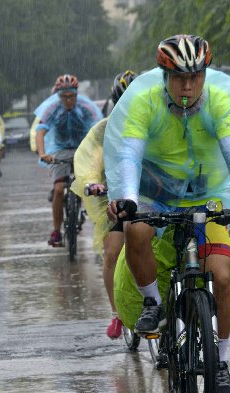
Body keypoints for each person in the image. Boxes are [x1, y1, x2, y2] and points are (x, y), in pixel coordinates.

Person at [103, 35, 230, 393]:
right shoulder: (144, 101)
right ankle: (153, 304)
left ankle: (223, 364)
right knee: (135, 231)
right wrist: (129, 199)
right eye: (178, 76)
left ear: (205, 74)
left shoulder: (220, 99)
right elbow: (129, 156)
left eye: (195, 76)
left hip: (206, 192)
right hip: (153, 189)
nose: (187, 85)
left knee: (222, 274)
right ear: (164, 75)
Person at [70, 70, 137, 339]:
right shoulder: (104, 130)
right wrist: (92, 182)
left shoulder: (159, 123)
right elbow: (89, 160)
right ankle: (117, 313)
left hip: (154, 197)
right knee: (112, 252)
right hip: (117, 198)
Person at [33, 74, 103, 247]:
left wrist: (100, 152)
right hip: (60, 149)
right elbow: (40, 130)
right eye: (64, 97)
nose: (68, 100)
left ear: (77, 94)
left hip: (84, 147)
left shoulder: (87, 107)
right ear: (58, 96)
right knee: (58, 189)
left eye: (71, 96)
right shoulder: (52, 108)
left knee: (93, 186)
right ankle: (56, 231)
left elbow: (101, 129)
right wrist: (42, 153)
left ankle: (101, 226)